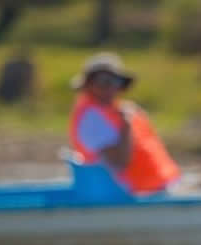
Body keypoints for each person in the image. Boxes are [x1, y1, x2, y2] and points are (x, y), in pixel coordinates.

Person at [69, 52, 180, 196]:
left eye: (115, 81)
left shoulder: (118, 110)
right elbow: (119, 162)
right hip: (130, 194)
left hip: (158, 188)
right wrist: (126, 124)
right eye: (103, 80)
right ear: (88, 84)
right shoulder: (92, 119)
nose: (109, 87)